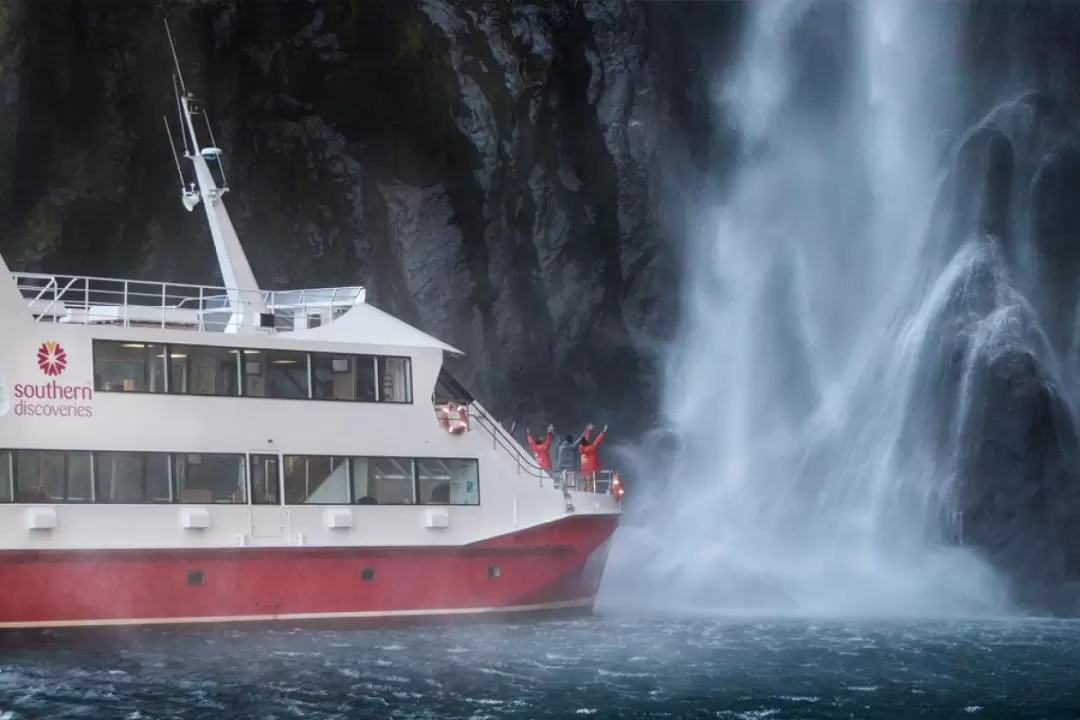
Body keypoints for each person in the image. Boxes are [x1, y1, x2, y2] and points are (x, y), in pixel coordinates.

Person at [578, 423, 608, 492]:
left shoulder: (581, 450)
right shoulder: (590, 448)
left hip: (583, 471)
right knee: (590, 488)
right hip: (590, 471)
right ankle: (588, 501)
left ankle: (583, 499)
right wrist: (603, 431)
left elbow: (586, 439)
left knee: (584, 487)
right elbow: (597, 440)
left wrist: (588, 431)